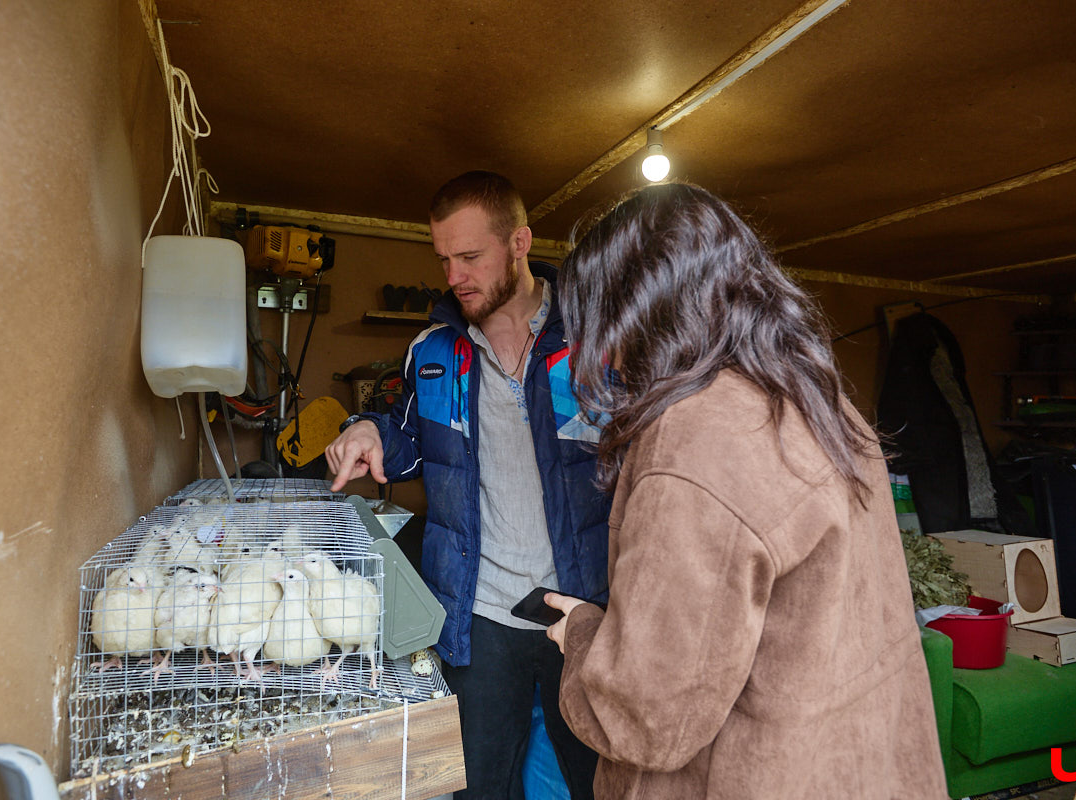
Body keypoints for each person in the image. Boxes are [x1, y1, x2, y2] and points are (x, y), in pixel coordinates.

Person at [542, 182, 949, 799]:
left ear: (631, 312)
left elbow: (647, 718)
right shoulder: (816, 397)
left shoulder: (697, 438)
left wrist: (580, 636)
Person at [325, 170, 608, 799]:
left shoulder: (594, 340)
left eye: (470, 256)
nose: (453, 276)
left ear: (519, 243)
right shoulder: (433, 348)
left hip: (586, 607)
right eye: (445, 259)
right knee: (478, 785)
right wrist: (368, 431)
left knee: (605, 783)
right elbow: (404, 446)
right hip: (478, 616)